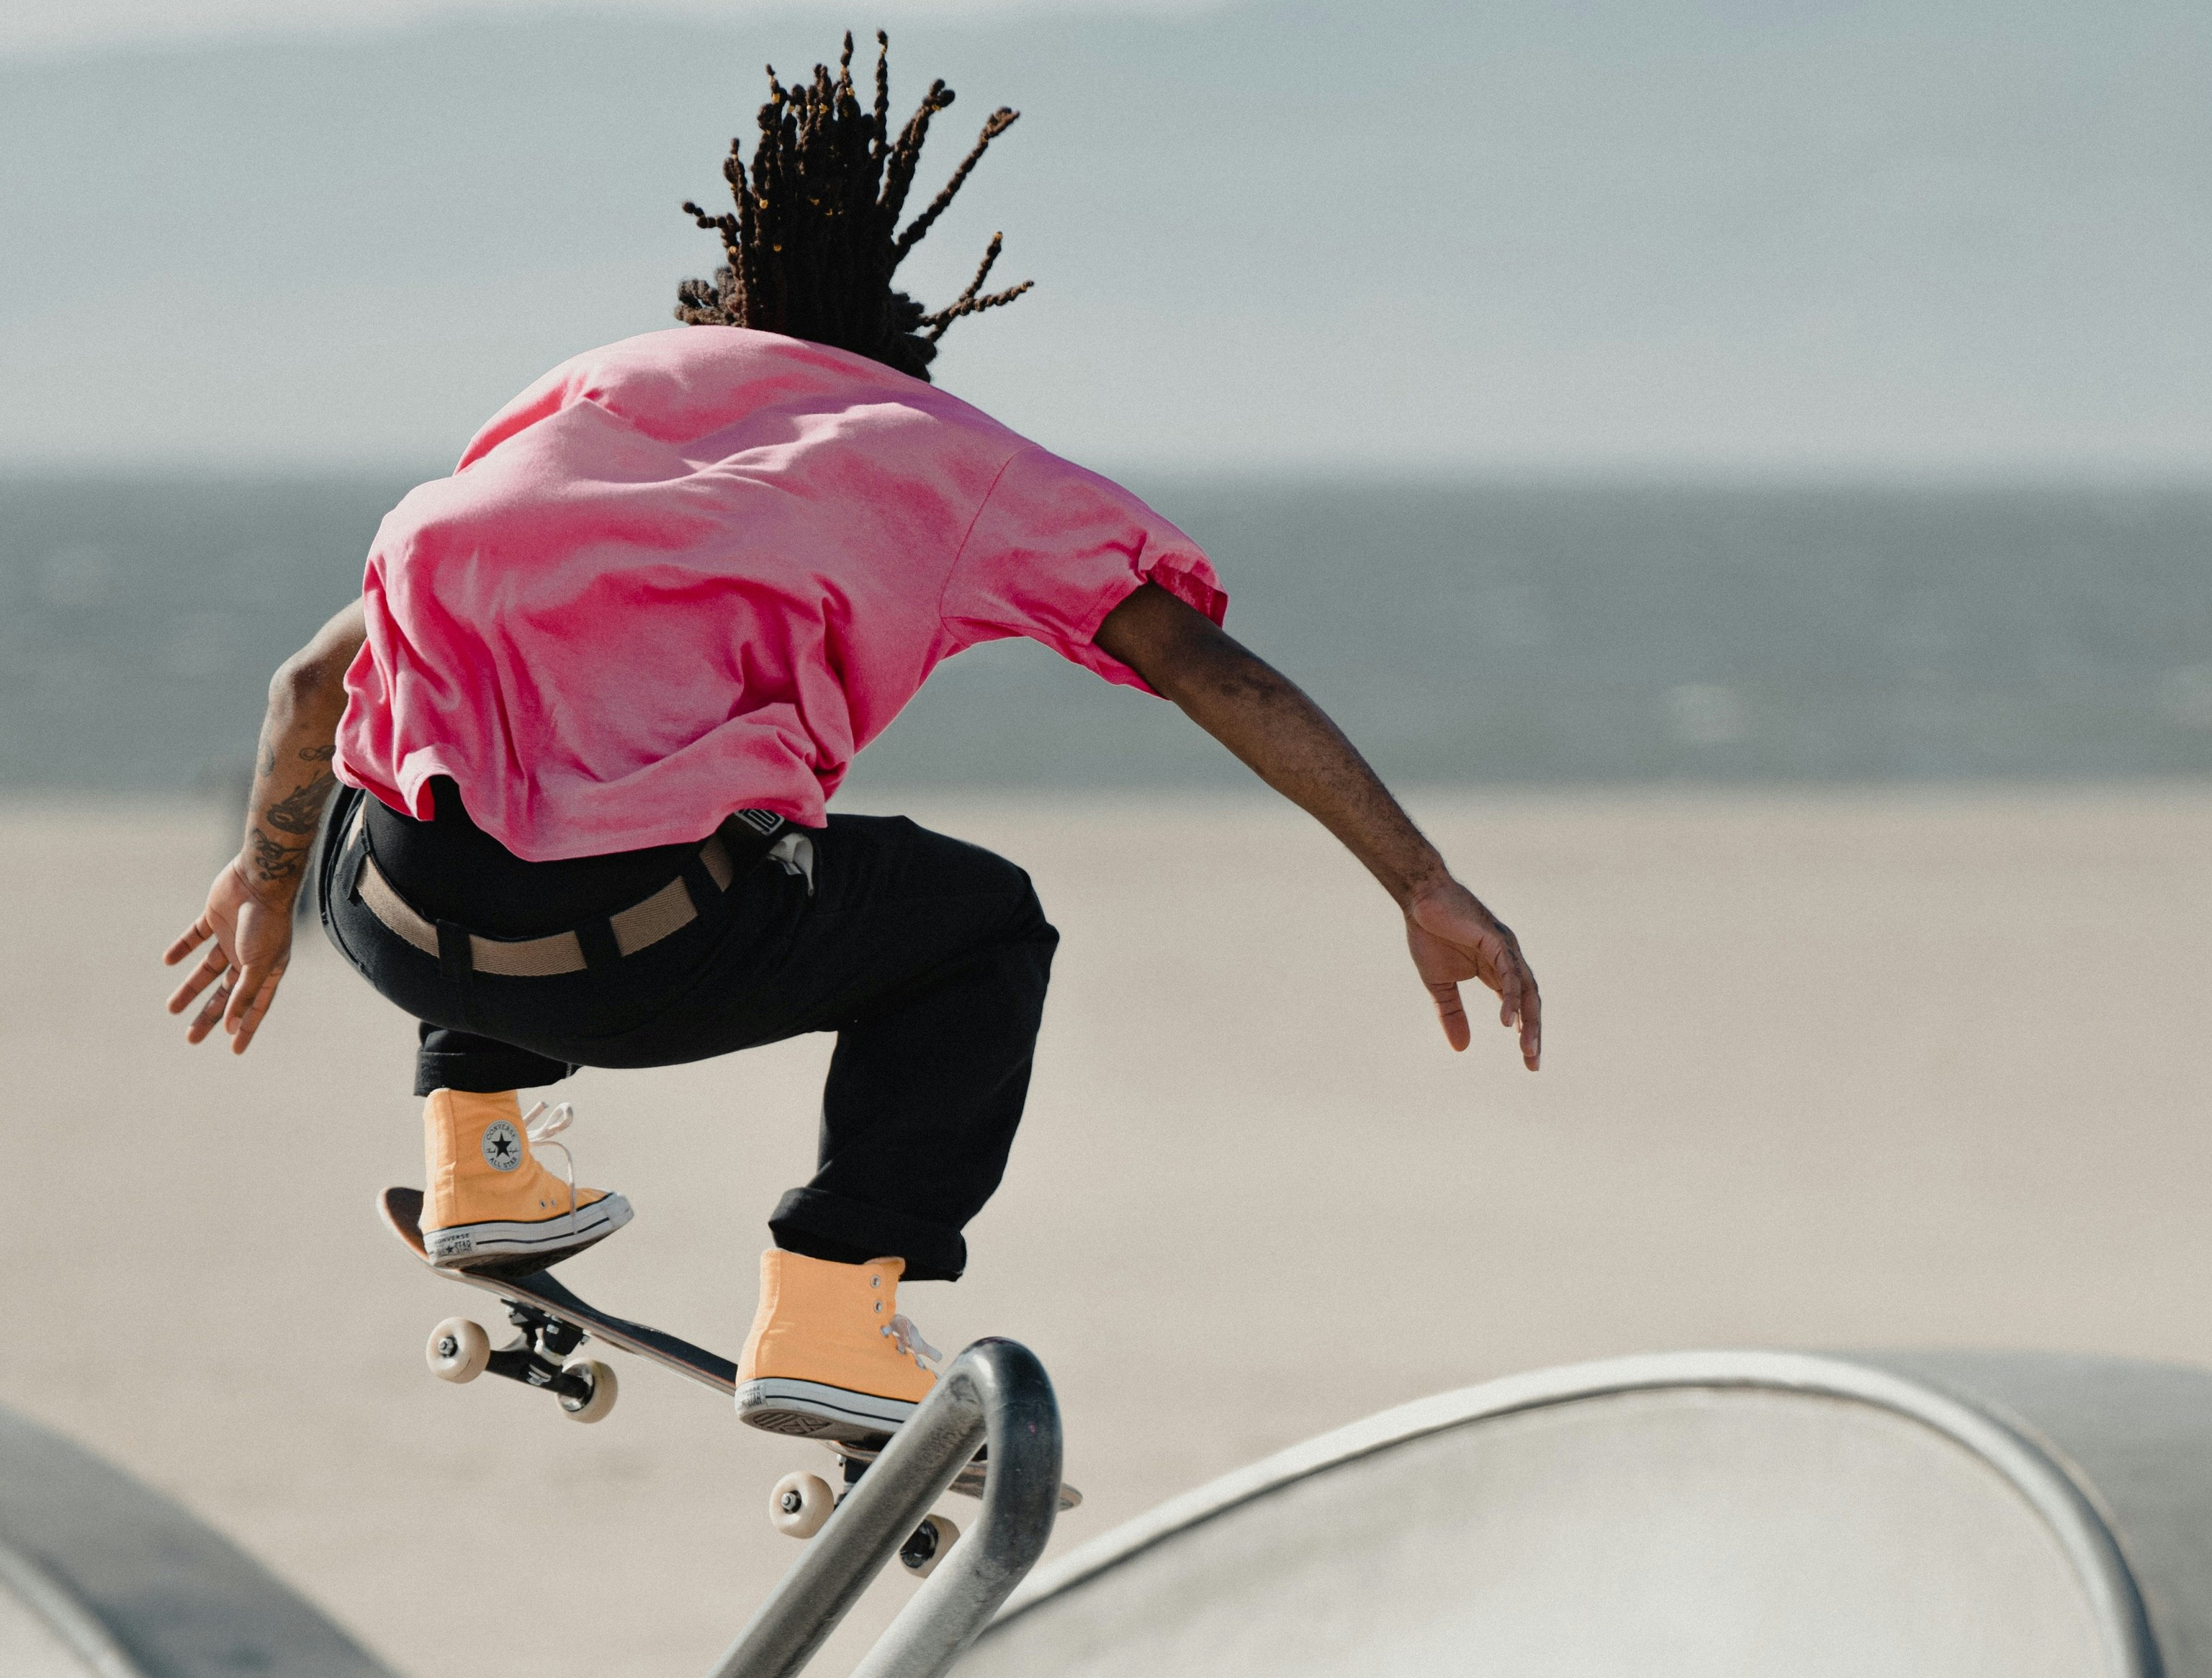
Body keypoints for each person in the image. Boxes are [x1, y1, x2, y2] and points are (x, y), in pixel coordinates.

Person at [163, 32, 1540, 1455]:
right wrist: (1420, 879)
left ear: (727, 303)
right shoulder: (931, 447)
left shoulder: (590, 390)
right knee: (981, 923)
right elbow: (1204, 667)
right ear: (899, 352)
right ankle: (832, 1296)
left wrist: (267, 885)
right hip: (634, 962)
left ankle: (479, 1157)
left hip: (381, 916)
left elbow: (313, 682)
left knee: (479, 717)